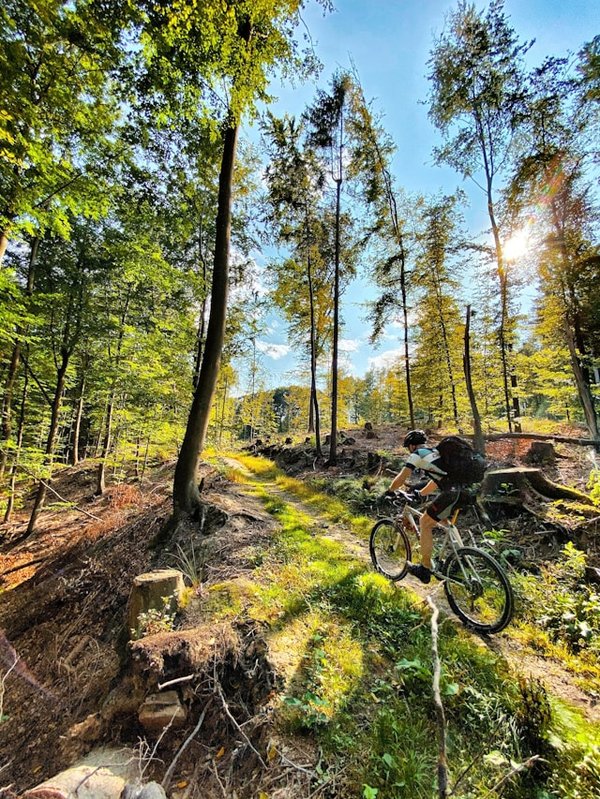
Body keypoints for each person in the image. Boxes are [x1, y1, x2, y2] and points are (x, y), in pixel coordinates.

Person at [387, 429, 463, 584]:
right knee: (443, 522)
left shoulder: (418, 454)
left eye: (408, 447)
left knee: (424, 522)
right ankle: (463, 559)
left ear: (412, 446)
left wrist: (390, 491)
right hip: (466, 490)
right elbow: (435, 481)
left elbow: (402, 477)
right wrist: (420, 493)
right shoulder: (436, 453)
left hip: (452, 492)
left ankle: (425, 568)